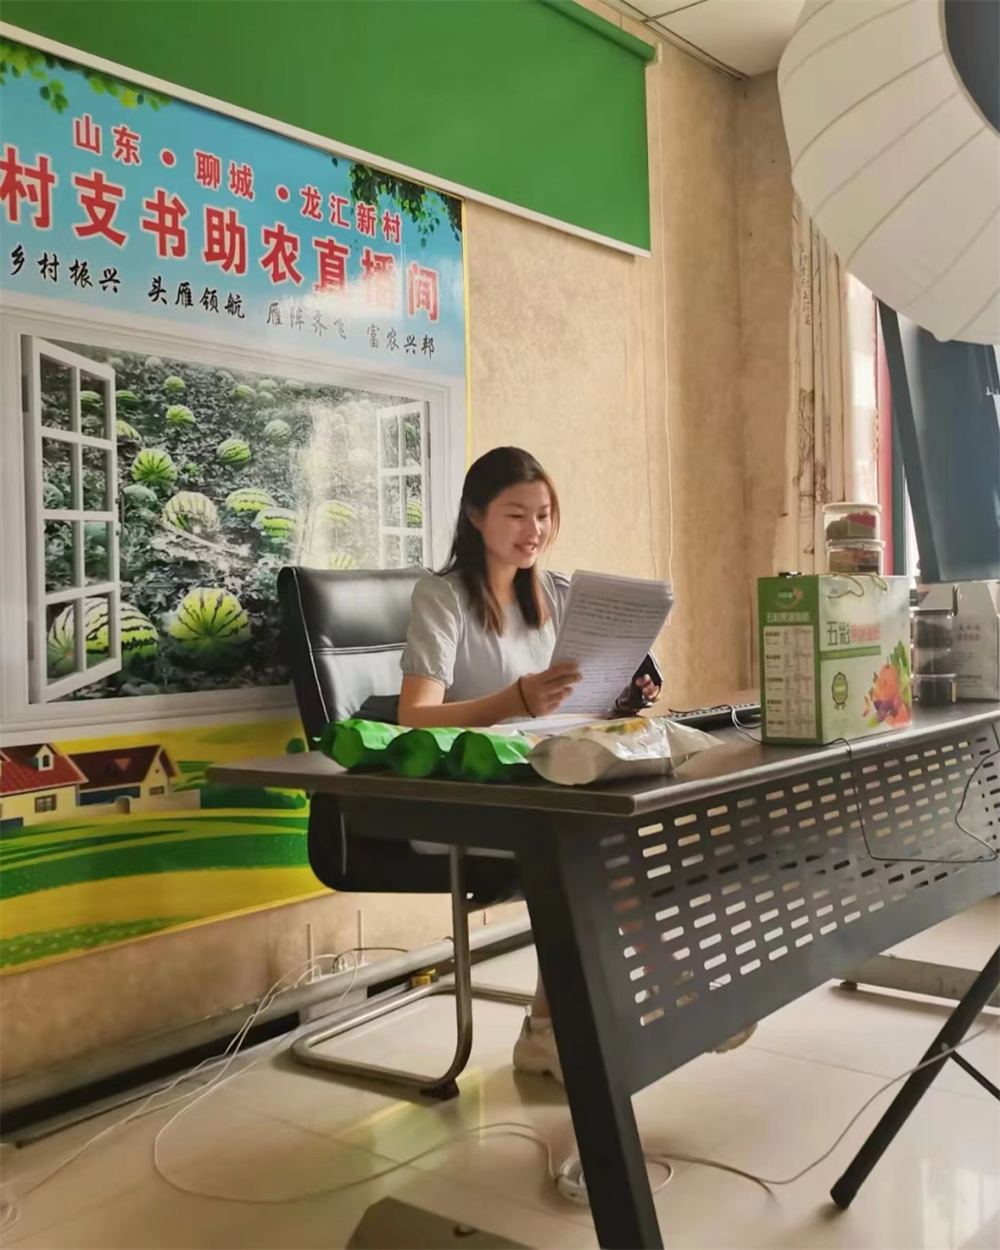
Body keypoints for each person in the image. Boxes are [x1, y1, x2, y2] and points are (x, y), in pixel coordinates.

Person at [399, 447, 752, 1081]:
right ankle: (668, 983)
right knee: (588, 843)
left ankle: (552, 1030)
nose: (533, 530)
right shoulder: (442, 597)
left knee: (641, 815)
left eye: (543, 514)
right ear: (475, 515)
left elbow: (568, 712)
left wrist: (623, 695)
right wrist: (513, 701)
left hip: (550, 782)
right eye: (516, 514)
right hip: (472, 794)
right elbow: (413, 718)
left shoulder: (557, 595)